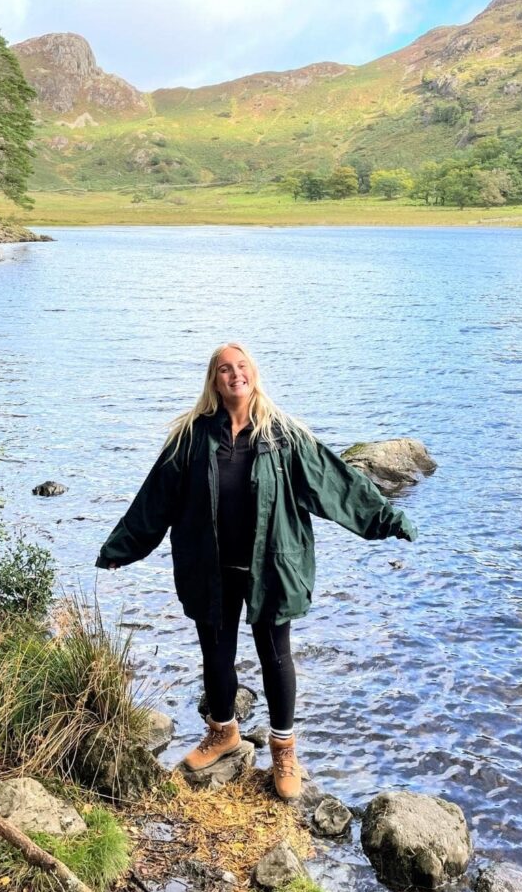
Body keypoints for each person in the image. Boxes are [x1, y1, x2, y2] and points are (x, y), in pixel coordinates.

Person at [95, 342, 418, 802]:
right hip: (210, 565)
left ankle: (284, 749)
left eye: (241, 366)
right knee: (216, 653)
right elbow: (155, 499)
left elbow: (335, 484)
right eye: (224, 369)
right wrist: (121, 548)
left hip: (270, 565)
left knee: (275, 654)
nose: (234, 375)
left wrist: (386, 519)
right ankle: (223, 733)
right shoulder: (191, 437)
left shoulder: (283, 435)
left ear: (253, 374)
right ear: (214, 381)